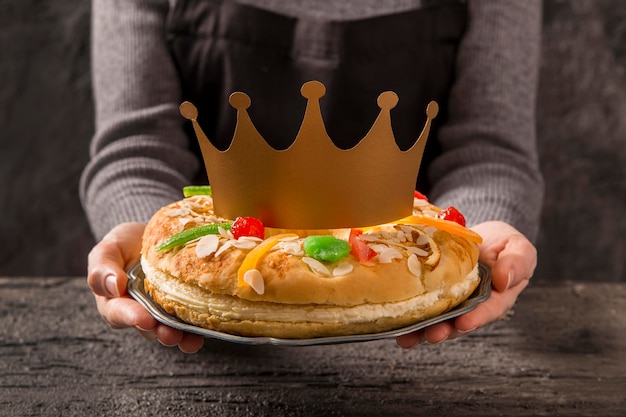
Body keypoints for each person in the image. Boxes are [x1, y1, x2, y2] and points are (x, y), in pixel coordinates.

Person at [81, 0, 543, 353]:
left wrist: (483, 238)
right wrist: (149, 253)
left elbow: (488, 150)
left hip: (428, 368)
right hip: (205, 357)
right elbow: (137, 147)